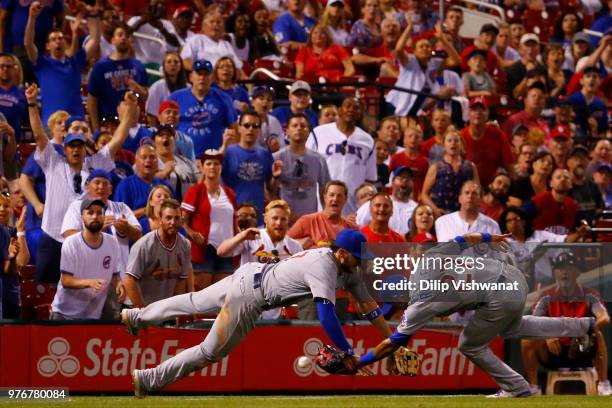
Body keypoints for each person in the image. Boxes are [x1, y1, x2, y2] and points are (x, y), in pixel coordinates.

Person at [123, 228, 393, 396]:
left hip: (250, 275)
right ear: (343, 253)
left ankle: (136, 316)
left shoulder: (350, 271)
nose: (361, 263)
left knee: (193, 301)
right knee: (208, 351)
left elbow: (370, 309)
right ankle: (148, 380)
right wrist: (346, 350)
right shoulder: (325, 265)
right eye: (358, 257)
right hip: (252, 296)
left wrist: (394, 343)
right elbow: (326, 316)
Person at [351, 232, 596, 398]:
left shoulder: (417, 305)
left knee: (468, 344)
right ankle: (582, 326)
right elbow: (463, 239)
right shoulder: (426, 261)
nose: (397, 310)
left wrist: (357, 363)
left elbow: (393, 341)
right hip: (512, 277)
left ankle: (517, 387)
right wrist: (490, 238)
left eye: (394, 306)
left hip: (497, 294)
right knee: (514, 327)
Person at [26, 83, 135, 284]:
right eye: (71, 146)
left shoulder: (96, 163)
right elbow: (39, 135)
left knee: (82, 289)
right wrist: (32, 104)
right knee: (43, 290)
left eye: (80, 146)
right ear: (64, 147)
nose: (76, 150)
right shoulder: (53, 161)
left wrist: (130, 109)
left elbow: (119, 137)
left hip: (84, 238)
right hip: (52, 236)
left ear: (85, 148)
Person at [521, 252, 611, 396]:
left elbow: (605, 318)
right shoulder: (546, 297)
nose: (564, 272)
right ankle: (533, 387)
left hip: (582, 351)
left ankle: (603, 384)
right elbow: (534, 322)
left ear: (577, 272)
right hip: (553, 353)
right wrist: (547, 336)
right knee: (527, 340)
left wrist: (585, 332)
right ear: (554, 273)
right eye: (560, 268)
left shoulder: (590, 295)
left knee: (598, 335)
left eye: (569, 268)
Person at [24, 1, 99, 124]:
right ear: (48, 46)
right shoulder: (42, 64)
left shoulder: (75, 62)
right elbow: (28, 43)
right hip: (51, 124)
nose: (58, 41)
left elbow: (95, 40)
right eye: (53, 39)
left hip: (76, 124)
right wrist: (32, 18)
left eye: (60, 38)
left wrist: (94, 14)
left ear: (65, 42)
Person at [50, 199, 125, 320]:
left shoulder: (112, 242)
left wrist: (119, 285)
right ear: (82, 218)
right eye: (90, 213)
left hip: (94, 315)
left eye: (99, 213)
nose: (95, 216)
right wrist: (90, 283)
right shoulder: (71, 242)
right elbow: (66, 281)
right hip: (65, 314)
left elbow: (115, 276)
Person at [61, 169, 142, 273]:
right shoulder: (77, 206)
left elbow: (138, 235)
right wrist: (97, 231)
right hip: (88, 270)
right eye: (97, 183)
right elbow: (68, 234)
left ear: (111, 190)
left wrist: (127, 228)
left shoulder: (121, 208)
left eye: (105, 184)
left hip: (119, 271)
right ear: (88, 187)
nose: (101, 187)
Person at [307, 97, 376, 215]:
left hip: (353, 203)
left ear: (360, 114)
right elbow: (306, 166)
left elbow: (370, 177)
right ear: (339, 110)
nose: (351, 110)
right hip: (323, 198)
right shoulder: (318, 133)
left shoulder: (367, 140)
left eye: (356, 108)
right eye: (347, 106)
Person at [181, 149, 237, 290]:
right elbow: (182, 219)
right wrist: (192, 233)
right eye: (209, 163)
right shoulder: (196, 191)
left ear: (221, 167)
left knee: (223, 295)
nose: (212, 167)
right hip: (204, 249)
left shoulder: (230, 192)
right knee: (203, 297)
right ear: (202, 167)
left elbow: (234, 221)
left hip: (227, 250)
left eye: (216, 163)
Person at [124, 199, 189, 308]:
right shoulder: (143, 245)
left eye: (177, 218)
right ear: (160, 219)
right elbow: (129, 280)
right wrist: (142, 312)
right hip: (137, 307)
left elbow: (181, 281)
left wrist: (176, 309)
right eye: (168, 218)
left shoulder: (185, 245)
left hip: (162, 310)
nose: (172, 222)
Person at [222, 110, 282, 225]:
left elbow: (271, 190)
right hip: (231, 217)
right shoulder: (228, 152)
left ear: (259, 130)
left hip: (257, 217)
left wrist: (276, 177)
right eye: (246, 125)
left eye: (255, 126)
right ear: (239, 128)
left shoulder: (265, 155)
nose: (250, 129)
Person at [169, 59, 237, 157]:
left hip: (214, 159)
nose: (202, 77)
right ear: (191, 77)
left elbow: (233, 128)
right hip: (183, 158)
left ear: (212, 78)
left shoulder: (224, 98)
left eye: (206, 74)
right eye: (198, 74)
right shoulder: (176, 97)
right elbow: (166, 126)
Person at [87, 24, 149, 130]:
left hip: (132, 123)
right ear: (112, 40)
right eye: (120, 35)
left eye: (127, 36)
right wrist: (95, 127)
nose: (124, 38)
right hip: (108, 124)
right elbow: (92, 99)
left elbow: (146, 96)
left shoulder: (139, 66)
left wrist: (137, 87)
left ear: (131, 41)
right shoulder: (101, 67)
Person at [273, 113, 330, 220]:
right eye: (295, 126)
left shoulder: (319, 160)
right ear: (287, 131)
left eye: (303, 126)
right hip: (283, 220)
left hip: (310, 219)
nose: (299, 128)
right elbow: (269, 191)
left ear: (308, 132)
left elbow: (325, 191)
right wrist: (282, 211)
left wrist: (327, 217)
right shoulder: (276, 158)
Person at [421, 130, 479, 217]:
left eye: (456, 140)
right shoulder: (436, 167)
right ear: (444, 145)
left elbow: (477, 192)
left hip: (464, 215)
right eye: (449, 140)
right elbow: (424, 194)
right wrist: (434, 209)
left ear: (461, 144)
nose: (453, 143)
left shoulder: (470, 167)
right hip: (441, 215)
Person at [460, 97, 513, 187]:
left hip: (494, 187)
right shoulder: (461, 137)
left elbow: (509, 164)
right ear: (468, 114)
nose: (478, 113)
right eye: (474, 110)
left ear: (488, 113)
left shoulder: (498, 134)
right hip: (467, 187)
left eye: (482, 109)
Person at [288, 180, 356, 249]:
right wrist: (297, 243)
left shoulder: (351, 227)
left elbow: (365, 255)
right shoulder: (307, 221)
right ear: (325, 197)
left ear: (345, 199)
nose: (335, 199)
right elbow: (282, 244)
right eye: (331, 195)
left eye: (339, 196)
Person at [114, 144, 171, 221]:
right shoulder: (125, 185)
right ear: (136, 161)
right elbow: (119, 218)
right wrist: (147, 210)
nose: (148, 160)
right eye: (144, 157)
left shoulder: (165, 185)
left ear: (157, 162)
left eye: (152, 157)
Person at [356, 167, 417, 236]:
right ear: (392, 181)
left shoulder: (417, 209)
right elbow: (356, 224)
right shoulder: (377, 203)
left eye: (408, 178)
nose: (405, 180)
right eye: (400, 178)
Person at [434, 180, 500, 242]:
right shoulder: (442, 222)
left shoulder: (493, 226)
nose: (470, 196)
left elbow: (497, 253)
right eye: (467, 192)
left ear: (480, 200)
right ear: (459, 198)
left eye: (474, 193)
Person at [127, 0, 180, 67]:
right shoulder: (135, 20)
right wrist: (144, 20)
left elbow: (176, 44)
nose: (161, 7)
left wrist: (162, 29)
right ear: (150, 6)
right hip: (142, 65)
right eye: (158, 4)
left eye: (163, 5)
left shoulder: (167, 24)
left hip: (162, 66)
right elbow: (126, 33)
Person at [153, 125, 199, 202]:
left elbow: (199, 182)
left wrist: (205, 173)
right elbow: (143, 182)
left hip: (187, 208)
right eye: (161, 135)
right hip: (161, 209)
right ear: (153, 142)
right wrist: (163, 173)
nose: (165, 137)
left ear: (174, 140)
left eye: (169, 135)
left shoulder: (186, 162)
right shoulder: (148, 162)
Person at [531, 168, 578, 234]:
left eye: (566, 177)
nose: (562, 179)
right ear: (551, 183)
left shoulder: (573, 205)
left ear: (571, 184)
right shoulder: (538, 200)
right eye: (558, 177)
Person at [145, 52, 188, 122]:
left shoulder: (188, 88)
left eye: (176, 62)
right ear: (164, 66)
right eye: (169, 62)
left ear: (181, 65)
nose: (172, 64)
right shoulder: (156, 87)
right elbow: (151, 115)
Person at [388, 126, 429, 200]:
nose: (413, 139)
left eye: (417, 137)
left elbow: (425, 183)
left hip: (415, 199)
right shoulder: (396, 157)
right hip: (396, 197)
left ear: (421, 141)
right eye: (410, 136)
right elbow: (388, 179)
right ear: (404, 139)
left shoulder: (424, 161)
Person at [568, 66, 609, 138]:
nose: (591, 79)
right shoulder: (573, 100)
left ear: (599, 82)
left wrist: (595, 129)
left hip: (594, 139)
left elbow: (604, 129)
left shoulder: (600, 104)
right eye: (588, 76)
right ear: (581, 81)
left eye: (595, 77)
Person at [0, 53, 26, 143]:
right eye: (2, 66)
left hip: (13, 143)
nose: (5, 69)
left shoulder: (23, 93)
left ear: (15, 69)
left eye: (8, 66)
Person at [250, 86, 284, 151]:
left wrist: (277, 147)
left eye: (269, 100)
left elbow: (282, 147)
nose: (265, 101)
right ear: (253, 102)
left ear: (271, 105)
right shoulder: (243, 120)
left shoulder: (274, 122)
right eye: (261, 98)